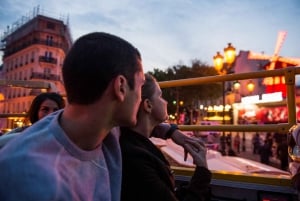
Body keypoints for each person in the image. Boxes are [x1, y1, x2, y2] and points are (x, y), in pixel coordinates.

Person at [0, 32, 200, 201]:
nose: (141, 98)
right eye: (140, 86)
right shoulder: (37, 184)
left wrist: (173, 132)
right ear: (120, 87)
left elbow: (144, 124)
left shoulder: (99, 124)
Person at [120, 74, 211, 201]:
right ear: (148, 105)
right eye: (160, 96)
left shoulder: (130, 142)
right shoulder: (136, 158)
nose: (166, 101)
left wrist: (171, 131)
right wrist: (202, 171)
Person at [0, 92, 65, 148]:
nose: (50, 114)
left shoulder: (64, 137)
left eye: (56, 110)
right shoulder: (22, 133)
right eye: (45, 110)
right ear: (36, 111)